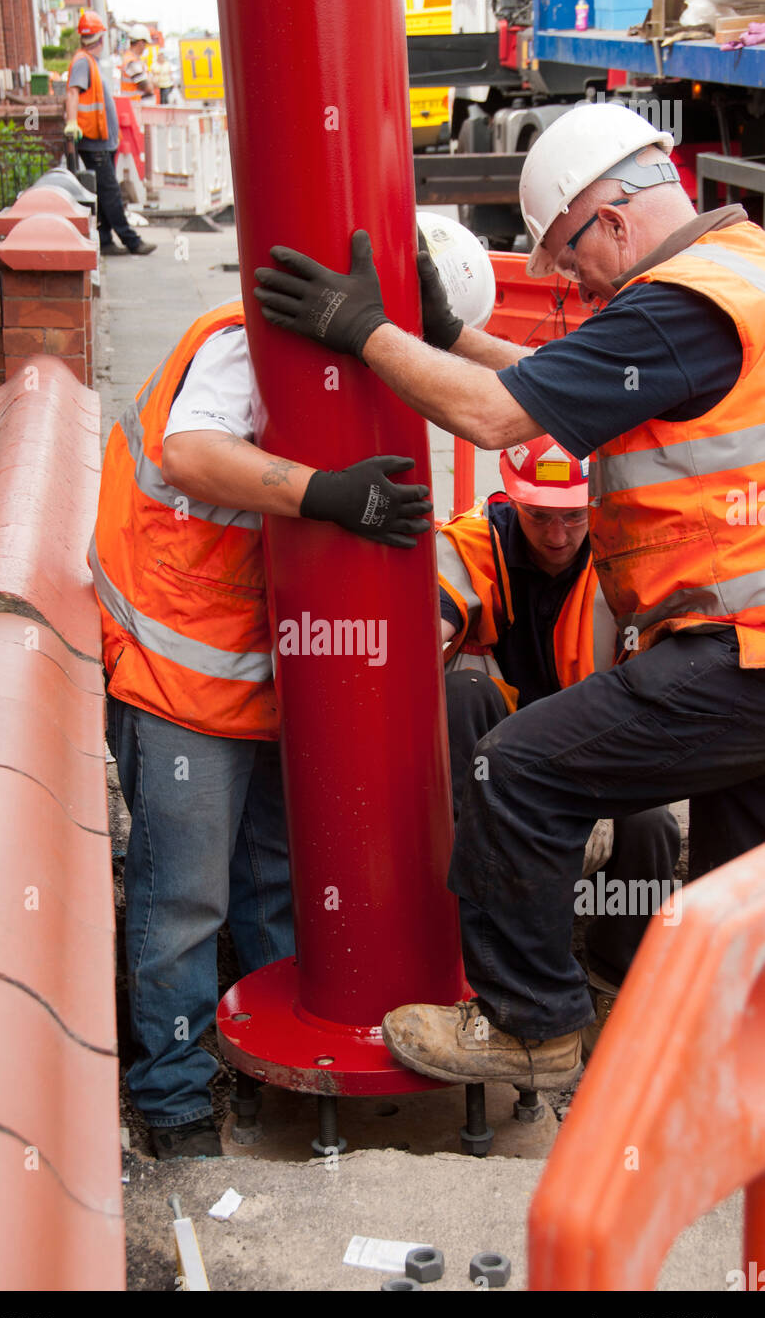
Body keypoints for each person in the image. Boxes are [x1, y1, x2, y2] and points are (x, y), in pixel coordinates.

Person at [254, 100, 765, 1089]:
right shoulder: (735, 271)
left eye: (567, 256)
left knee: (516, 769)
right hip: (744, 653)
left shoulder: (674, 304)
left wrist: (361, 333)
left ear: (610, 218)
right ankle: (724, 1072)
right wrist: (444, 335)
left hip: (736, 650)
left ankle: (531, 1024)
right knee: (735, 883)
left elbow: (494, 418)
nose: (564, 279)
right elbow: (556, 382)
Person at [88, 299, 433, 1157]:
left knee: (273, 882)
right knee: (183, 902)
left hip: (269, 679)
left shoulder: (352, 366)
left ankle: (274, 1060)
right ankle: (172, 1099)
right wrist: (326, 494)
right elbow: (191, 453)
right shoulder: (249, 348)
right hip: (178, 673)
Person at [438, 437, 679, 1052]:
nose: (557, 534)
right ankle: (471, 964)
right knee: (464, 690)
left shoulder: (624, 557)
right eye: (540, 515)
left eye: (574, 515)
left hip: (590, 751)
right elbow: (432, 608)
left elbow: (650, 694)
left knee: (651, 826)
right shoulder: (472, 545)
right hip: (488, 760)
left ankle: (613, 977)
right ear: (510, 497)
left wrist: (601, 794)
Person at [65, 10, 156, 257]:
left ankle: (105, 240)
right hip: (94, 141)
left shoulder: (88, 61)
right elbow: (73, 92)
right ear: (102, 38)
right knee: (110, 191)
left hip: (101, 140)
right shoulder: (83, 61)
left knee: (104, 191)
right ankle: (131, 240)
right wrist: (72, 122)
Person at [120, 25, 156, 103]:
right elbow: (148, 88)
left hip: (135, 106)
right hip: (135, 107)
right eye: (145, 44)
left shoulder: (133, 59)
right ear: (140, 43)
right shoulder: (132, 62)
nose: (145, 47)